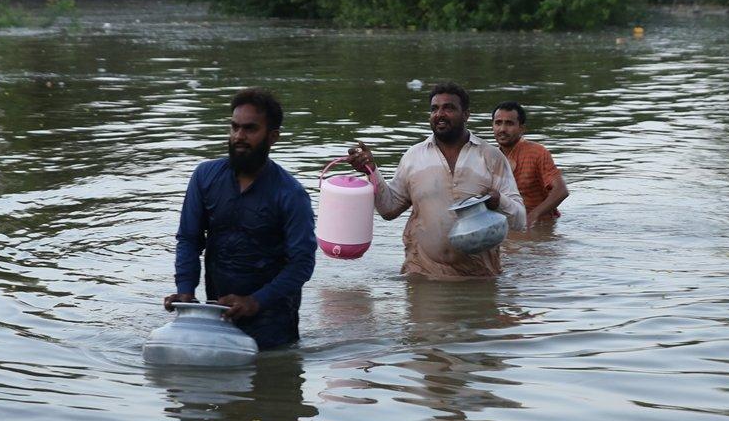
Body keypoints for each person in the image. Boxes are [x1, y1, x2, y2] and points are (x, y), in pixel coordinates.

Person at [163, 88, 316, 350]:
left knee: (271, 381)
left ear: (273, 137)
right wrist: (186, 291)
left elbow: (302, 264)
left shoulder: (291, 194)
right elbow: (189, 239)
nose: (238, 137)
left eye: (249, 129)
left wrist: (255, 301)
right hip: (218, 317)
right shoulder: (205, 177)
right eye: (234, 127)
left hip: (272, 325)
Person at [347, 83, 525, 278]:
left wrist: (498, 200)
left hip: (479, 276)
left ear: (466, 114)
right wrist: (371, 170)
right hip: (423, 273)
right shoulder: (414, 156)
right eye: (434, 109)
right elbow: (388, 209)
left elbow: (519, 219)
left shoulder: (491, 157)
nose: (440, 114)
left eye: (448, 108)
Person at [491, 101, 569, 227]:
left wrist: (532, 216)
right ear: (492, 126)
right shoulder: (489, 157)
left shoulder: (537, 152)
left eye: (509, 123)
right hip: (507, 225)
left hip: (541, 225)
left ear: (522, 128)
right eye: (498, 123)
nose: (502, 129)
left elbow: (561, 191)